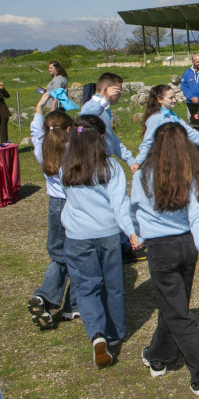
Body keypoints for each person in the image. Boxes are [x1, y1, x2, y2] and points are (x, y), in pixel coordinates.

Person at [132, 123, 199, 396]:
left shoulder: (142, 176)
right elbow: (197, 217)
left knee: (177, 311)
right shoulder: (191, 175)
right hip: (186, 247)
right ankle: (158, 355)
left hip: (161, 249)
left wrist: (135, 232)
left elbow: (133, 209)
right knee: (174, 305)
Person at [59, 115, 141, 369]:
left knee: (86, 286)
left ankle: (97, 334)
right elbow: (119, 204)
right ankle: (115, 333)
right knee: (113, 284)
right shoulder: (111, 167)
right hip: (106, 233)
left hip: (77, 235)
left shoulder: (67, 166)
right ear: (102, 137)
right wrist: (131, 231)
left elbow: (65, 196)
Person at [27, 94, 78, 328]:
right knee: (79, 254)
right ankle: (72, 305)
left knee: (58, 256)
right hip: (74, 204)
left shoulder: (42, 150)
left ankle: (45, 296)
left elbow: (37, 133)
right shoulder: (73, 152)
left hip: (54, 204)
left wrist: (40, 107)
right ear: (68, 129)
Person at [136, 84, 199, 165]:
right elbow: (147, 143)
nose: (174, 100)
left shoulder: (173, 116)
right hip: (161, 161)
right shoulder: (155, 119)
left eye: (174, 97)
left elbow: (190, 132)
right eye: (171, 98)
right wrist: (139, 162)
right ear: (159, 99)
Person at [80, 72, 139, 173]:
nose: (120, 95)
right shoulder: (90, 106)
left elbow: (111, 137)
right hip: (93, 163)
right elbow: (86, 116)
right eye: (118, 91)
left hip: (103, 161)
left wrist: (130, 160)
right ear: (107, 90)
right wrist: (105, 100)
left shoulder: (105, 108)